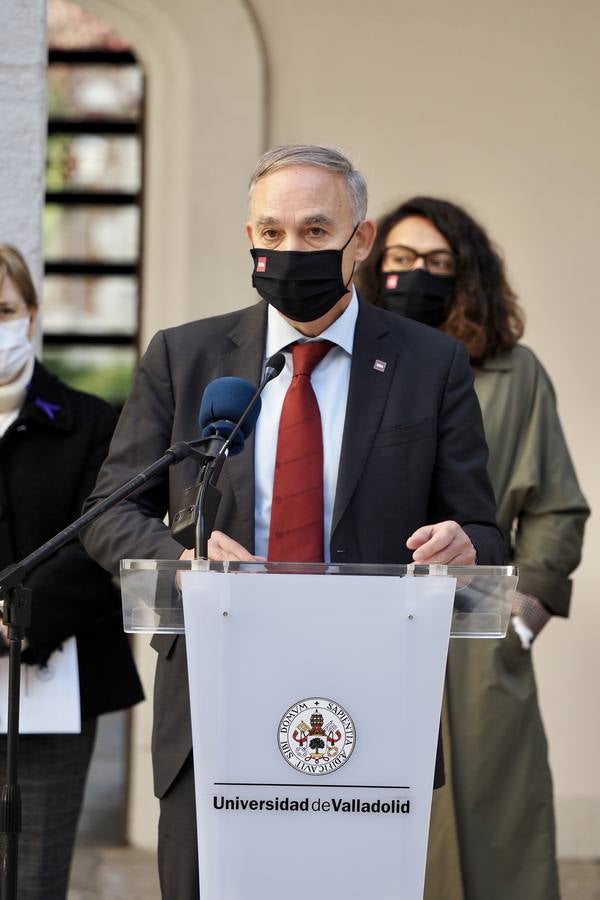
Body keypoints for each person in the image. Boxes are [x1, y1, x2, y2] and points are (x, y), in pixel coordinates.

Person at [81, 145, 504, 900]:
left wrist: (463, 542)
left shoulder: (429, 364)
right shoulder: (188, 356)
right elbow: (112, 510)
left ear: (360, 240)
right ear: (249, 234)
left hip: (370, 703)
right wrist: (183, 565)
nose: (289, 251)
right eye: (270, 234)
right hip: (213, 692)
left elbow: (483, 529)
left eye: (315, 232)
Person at [356, 196, 590, 900]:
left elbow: (556, 504)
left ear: (468, 277)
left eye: (436, 263)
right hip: (368, 624)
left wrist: (522, 615)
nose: (415, 275)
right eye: (399, 260)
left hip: (477, 629)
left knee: (489, 823)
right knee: (371, 811)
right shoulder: (351, 367)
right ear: (373, 269)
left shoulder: (516, 375)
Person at [0, 244, 144, 900]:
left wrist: (19, 617)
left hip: (52, 677)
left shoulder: (89, 421)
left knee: (35, 872)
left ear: (30, 314)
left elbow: (100, 535)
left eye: (2, 308)